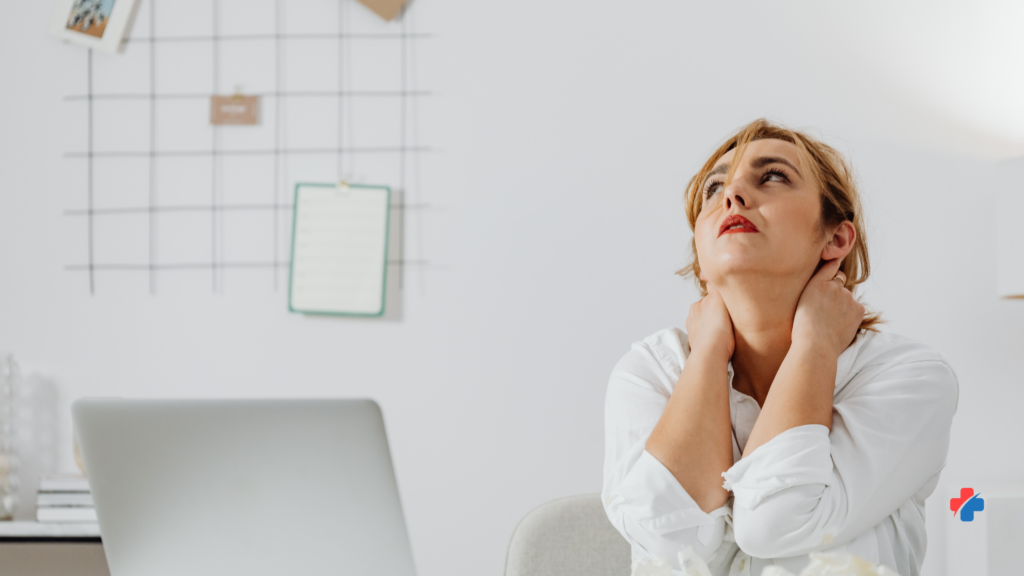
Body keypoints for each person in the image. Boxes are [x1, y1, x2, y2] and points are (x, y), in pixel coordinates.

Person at [601, 119, 958, 576]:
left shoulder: (910, 378)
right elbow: (667, 543)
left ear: (836, 238)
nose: (733, 195)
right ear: (699, 251)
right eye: (714, 188)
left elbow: (775, 524)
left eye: (772, 176)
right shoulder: (651, 370)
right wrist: (708, 350)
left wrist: (814, 344)